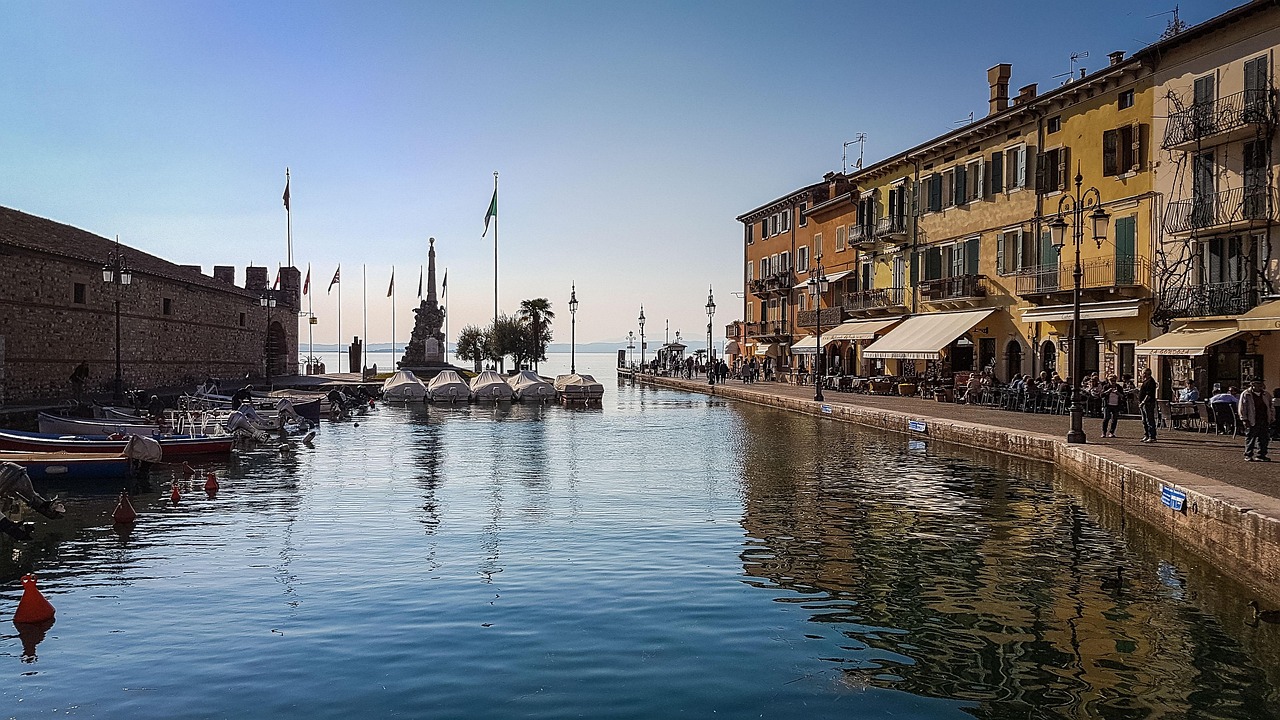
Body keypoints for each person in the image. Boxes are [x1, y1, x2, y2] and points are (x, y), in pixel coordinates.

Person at [1238, 380, 1274, 462]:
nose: (1260, 386)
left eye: (1261, 384)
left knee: (1264, 438)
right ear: (1253, 384)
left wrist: (1271, 417)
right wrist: (1244, 419)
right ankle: (1248, 454)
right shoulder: (1246, 394)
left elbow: (1270, 406)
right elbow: (1242, 407)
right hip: (1252, 418)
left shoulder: (1266, 394)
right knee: (1250, 437)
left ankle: (1261, 455)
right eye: (1258, 384)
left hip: (1264, 418)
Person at [1139, 367, 1158, 442]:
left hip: (1148, 403)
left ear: (1145, 374)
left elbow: (1148, 394)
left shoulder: (1150, 381)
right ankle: (1146, 434)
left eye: (1143, 373)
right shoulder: (1145, 381)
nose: (1141, 374)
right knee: (1144, 420)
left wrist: (1143, 402)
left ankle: (1152, 436)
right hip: (1143, 403)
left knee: (1149, 420)